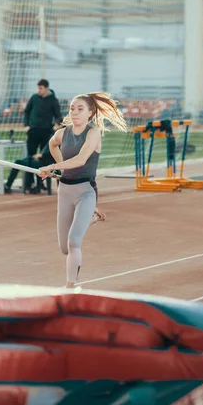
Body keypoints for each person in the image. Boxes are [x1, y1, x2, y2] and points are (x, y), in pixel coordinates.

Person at [38, 92, 127, 288]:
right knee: (64, 248)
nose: (75, 113)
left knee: (73, 241)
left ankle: (71, 285)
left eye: (80, 109)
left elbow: (80, 160)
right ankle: (92, 217)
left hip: (86, 191)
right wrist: (60, 165)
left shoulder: (93, 133)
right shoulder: (62, 133)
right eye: (72, 108)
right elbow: (52, 144)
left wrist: (52, 167)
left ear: (90, 113)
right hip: (65, 192)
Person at [5, 118, 64, 194]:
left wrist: (41, 155)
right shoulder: (62, 136)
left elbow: (52, 152)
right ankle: (32, 185)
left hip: (44, 161)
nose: (53, 127)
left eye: (55, 125)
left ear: (59, 126)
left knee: (18, 162)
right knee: (28, 161)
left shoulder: (56, 137)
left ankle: (8, 185)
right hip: (46, 160)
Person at [24, 79, 61, 156]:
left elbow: (58, 116)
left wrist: (55, 126)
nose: (39, 90)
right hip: (33, 130)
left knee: (43, 156)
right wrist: (26, 125)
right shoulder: (34, 97)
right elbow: (27, 111)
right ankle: (29, 167)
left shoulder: (53, 100)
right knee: (30, 155)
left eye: (41, 88)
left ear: (46, 88)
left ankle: (40, 168)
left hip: (46, 131)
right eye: (38, 88)